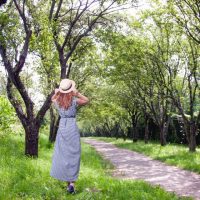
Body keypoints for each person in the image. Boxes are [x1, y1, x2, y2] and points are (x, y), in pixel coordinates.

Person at [50, 78, 89, 194]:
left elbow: (52, 99)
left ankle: (68, 185)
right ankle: (72, 184)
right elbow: (87, 100)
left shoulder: (57, 101)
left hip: (62, 126)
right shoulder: (74, 100)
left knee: (63, 154)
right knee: (73, 154)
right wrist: (77, 93)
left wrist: (57, 92)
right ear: (70, 90)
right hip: (72, 126)